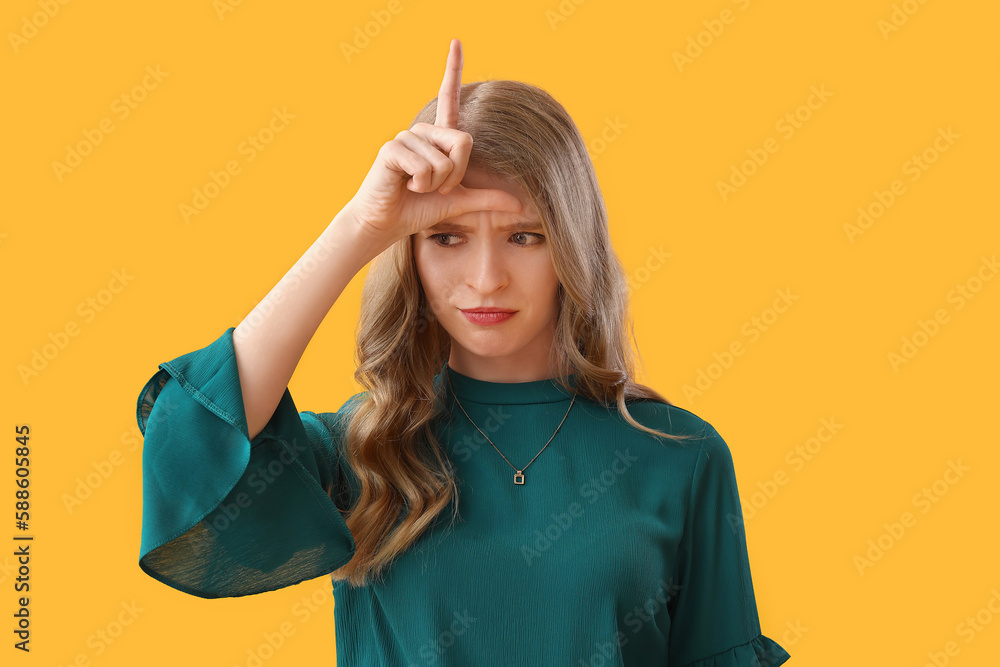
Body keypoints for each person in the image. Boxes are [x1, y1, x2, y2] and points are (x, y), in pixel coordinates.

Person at [136, 38, 791, 666]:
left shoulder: (680, 455)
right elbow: (189, 439)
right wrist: (361, 226)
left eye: (525, 236)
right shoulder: (361, 451)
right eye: (446, 237)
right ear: (411, 252)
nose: (486, 278)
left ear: (572, 246)